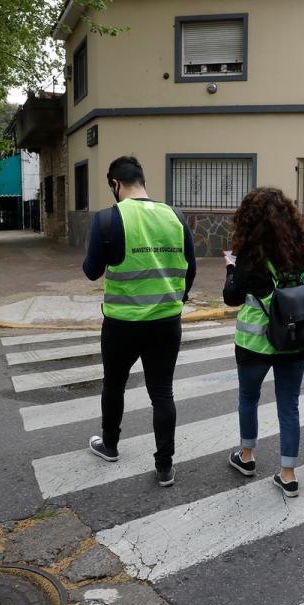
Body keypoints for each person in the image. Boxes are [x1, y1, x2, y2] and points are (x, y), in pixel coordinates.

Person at [82, 156, 196, 488]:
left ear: (115, 185)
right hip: (166, 323)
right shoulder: (176, 216)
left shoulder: (107, 220)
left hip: (121, 325)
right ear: (142, 181)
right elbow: (191, 269)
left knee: (113, 385)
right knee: (162, 392)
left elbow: (92, 271)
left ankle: (111, 445)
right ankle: (164, 467)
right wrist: (178, 298)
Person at [223, 187, 304, 498]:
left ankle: (247, 457)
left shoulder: (252, 257)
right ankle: (288, 475)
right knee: (289, 405)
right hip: (295, 341)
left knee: (248, 399)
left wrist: (230, 267)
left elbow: (231, 297)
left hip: (255, 343)